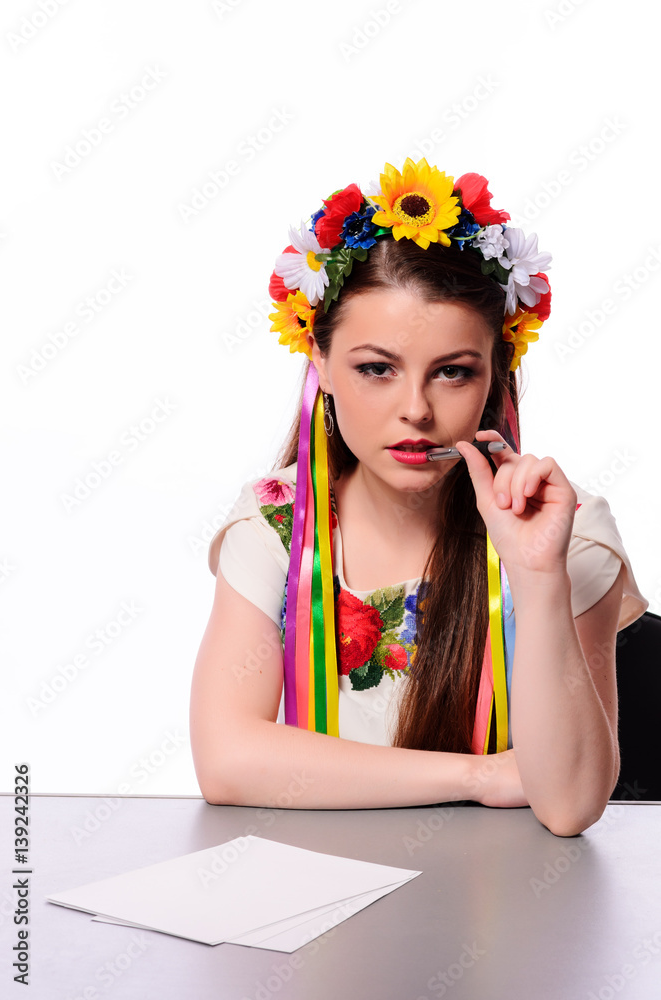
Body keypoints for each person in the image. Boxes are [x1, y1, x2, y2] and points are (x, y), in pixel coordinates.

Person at [190, 158, 648, 837]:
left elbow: (570, 803)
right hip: (319, 899)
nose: (416, 410)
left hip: (505, 915)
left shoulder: (568, 532)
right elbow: (227, 761)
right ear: (319, 361)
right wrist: (480, 775)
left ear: (495, 374)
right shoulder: (277, 527)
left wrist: (537, 576)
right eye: (376, 368)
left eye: (453, 373)